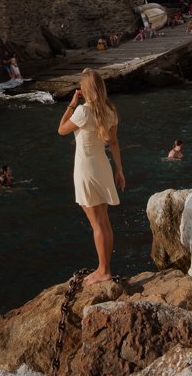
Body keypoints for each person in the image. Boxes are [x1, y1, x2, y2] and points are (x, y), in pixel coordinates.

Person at [58, 69, 125, 285]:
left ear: (85, 89)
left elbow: (61, 130)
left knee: (96, 224)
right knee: (104, 221)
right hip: (103, 167)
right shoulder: (110, 110)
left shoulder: (82, 112)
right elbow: (113, 143)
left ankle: (103, 271)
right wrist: (120, 170)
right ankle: (105, 267)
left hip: (86, 169)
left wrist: (71, 103)